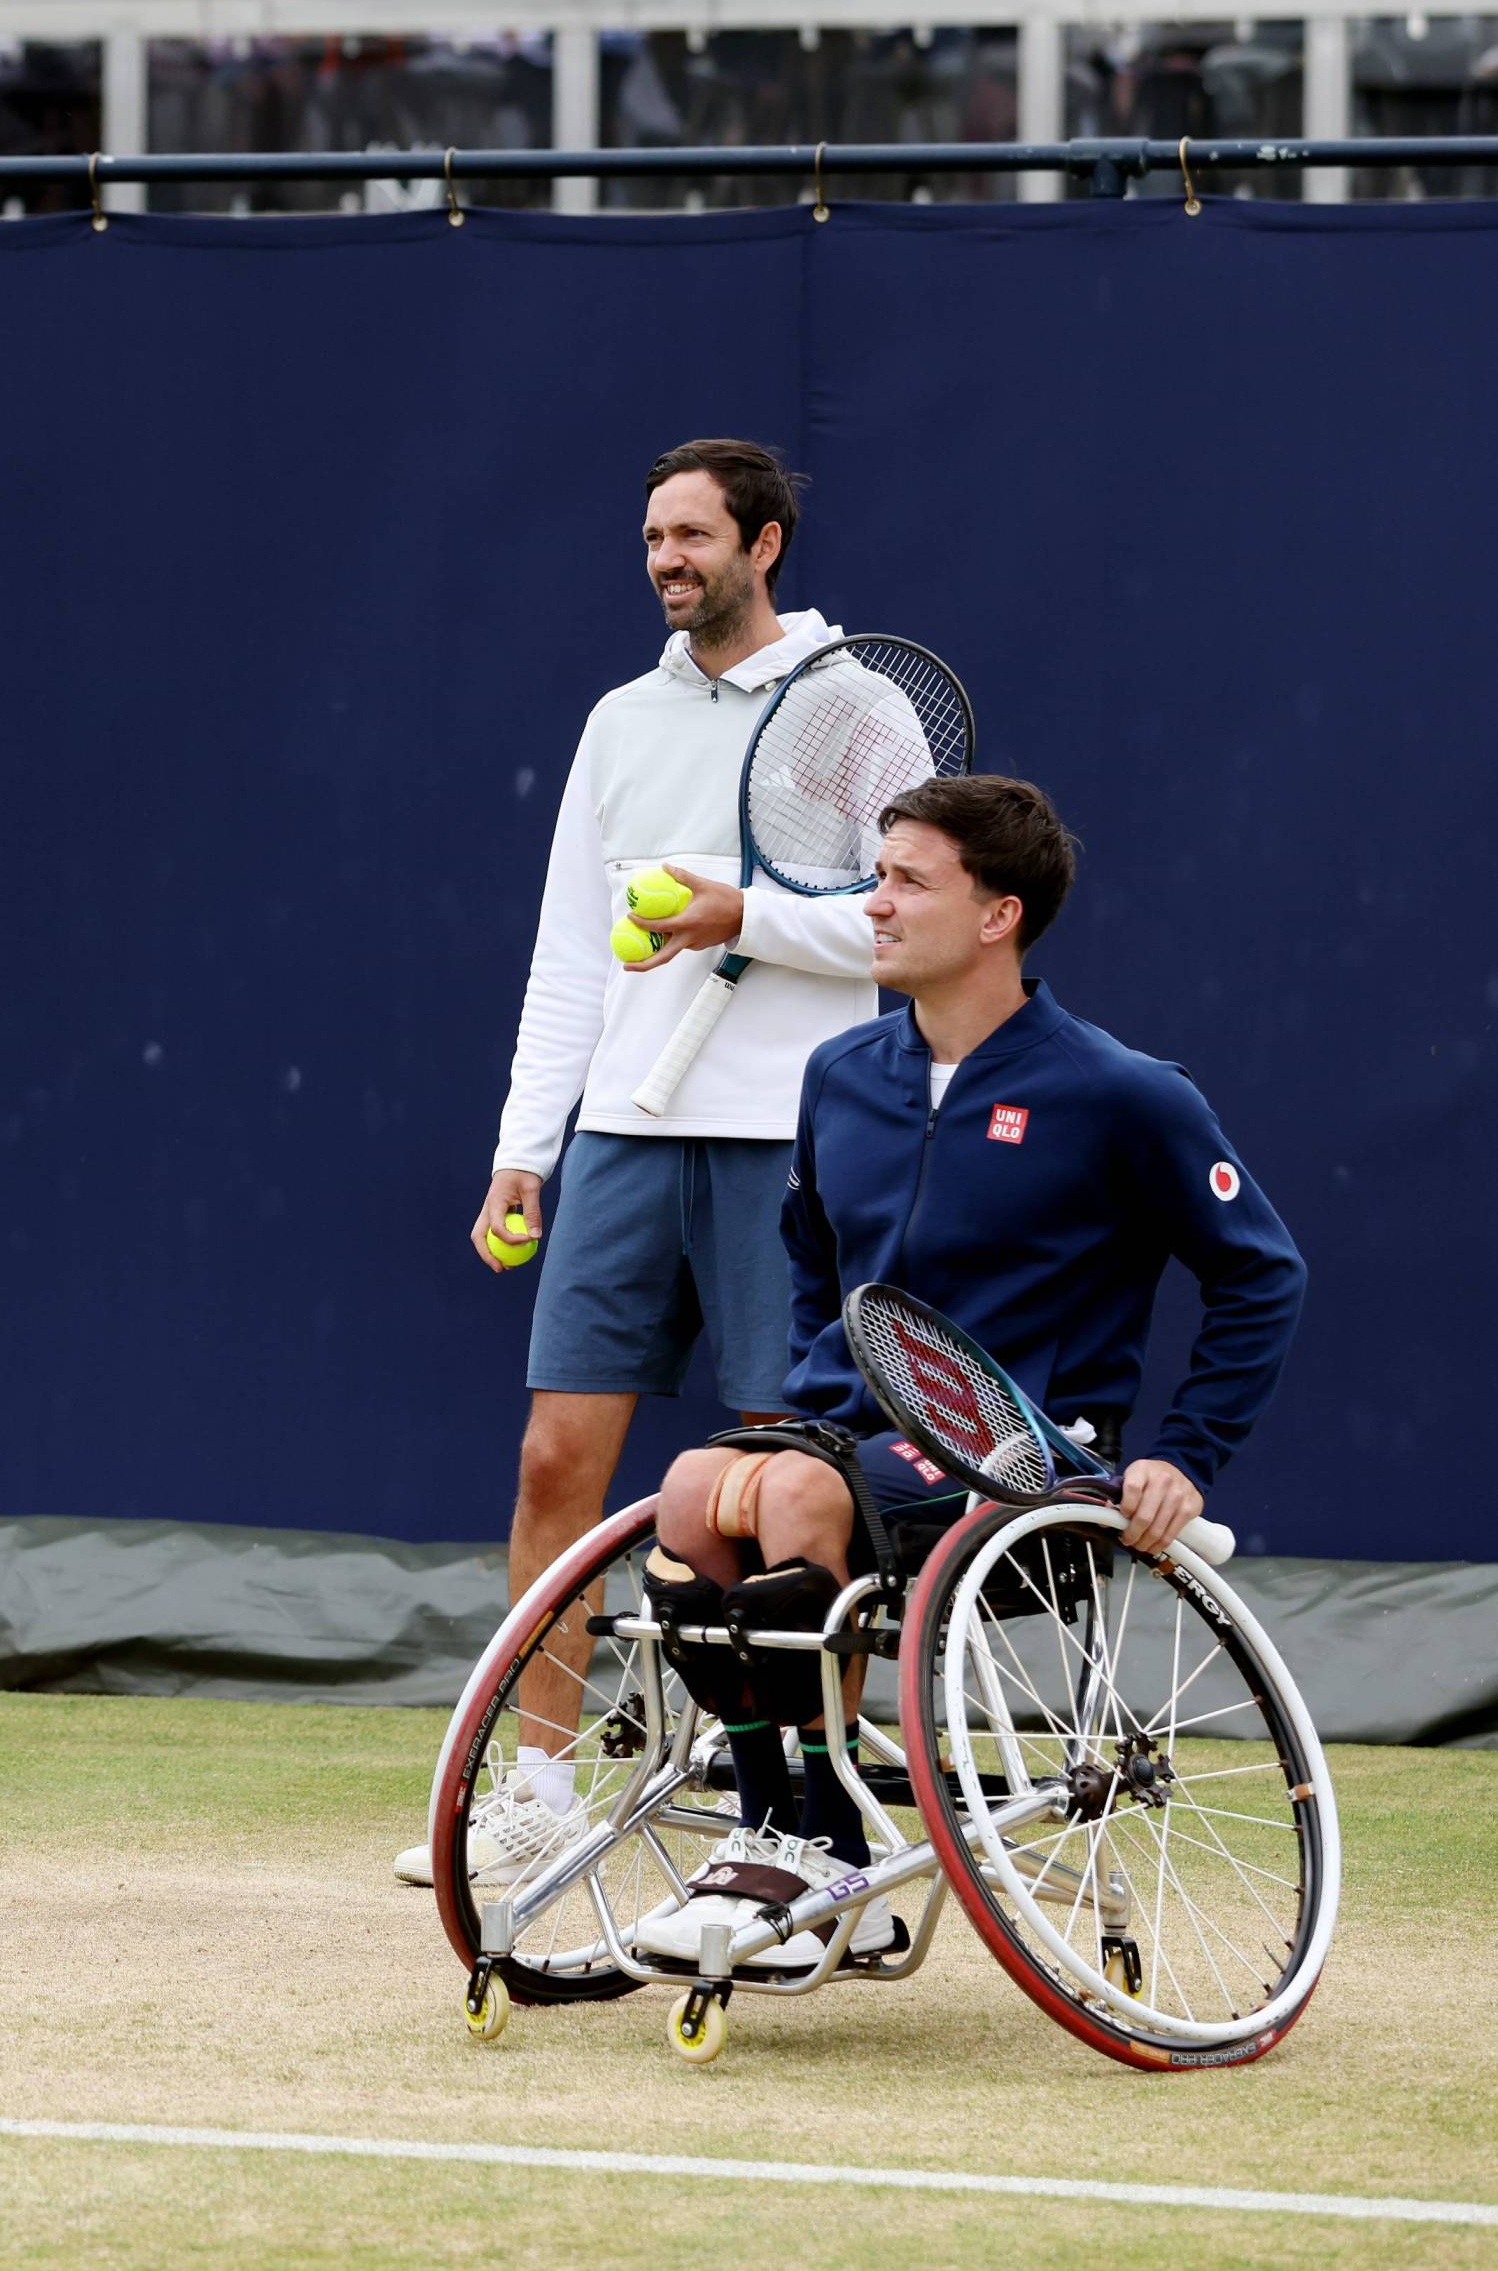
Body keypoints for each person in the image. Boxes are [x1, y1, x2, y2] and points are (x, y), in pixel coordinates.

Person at [625, 776, 1305, 1970]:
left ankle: (820, 1860)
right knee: (689, 1489)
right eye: (876, 877)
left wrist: (1183, 1455)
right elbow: (810, 1258)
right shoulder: (839, 1074)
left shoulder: (1124, 1094)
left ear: (997, 915)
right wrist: (803, 1406)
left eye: (905, 883)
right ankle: (781, 1832)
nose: (873, 906)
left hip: (1028, 1466)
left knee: (784, 1496)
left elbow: (1263, 1277)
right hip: (849, 1446)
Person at [395, 439, 869, 1891]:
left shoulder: (852, 710)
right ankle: (535, 1785)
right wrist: (521, 1149)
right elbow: (562, 956)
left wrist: (745, 916)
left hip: (784, 1140)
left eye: (693, 537)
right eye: (652, 538)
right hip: (619, 1138)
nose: (666, 561)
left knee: (785, 1492)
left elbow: (907, 929)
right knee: (554, 1461)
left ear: (764, 543)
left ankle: (786, 1805)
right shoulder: (615, 721)